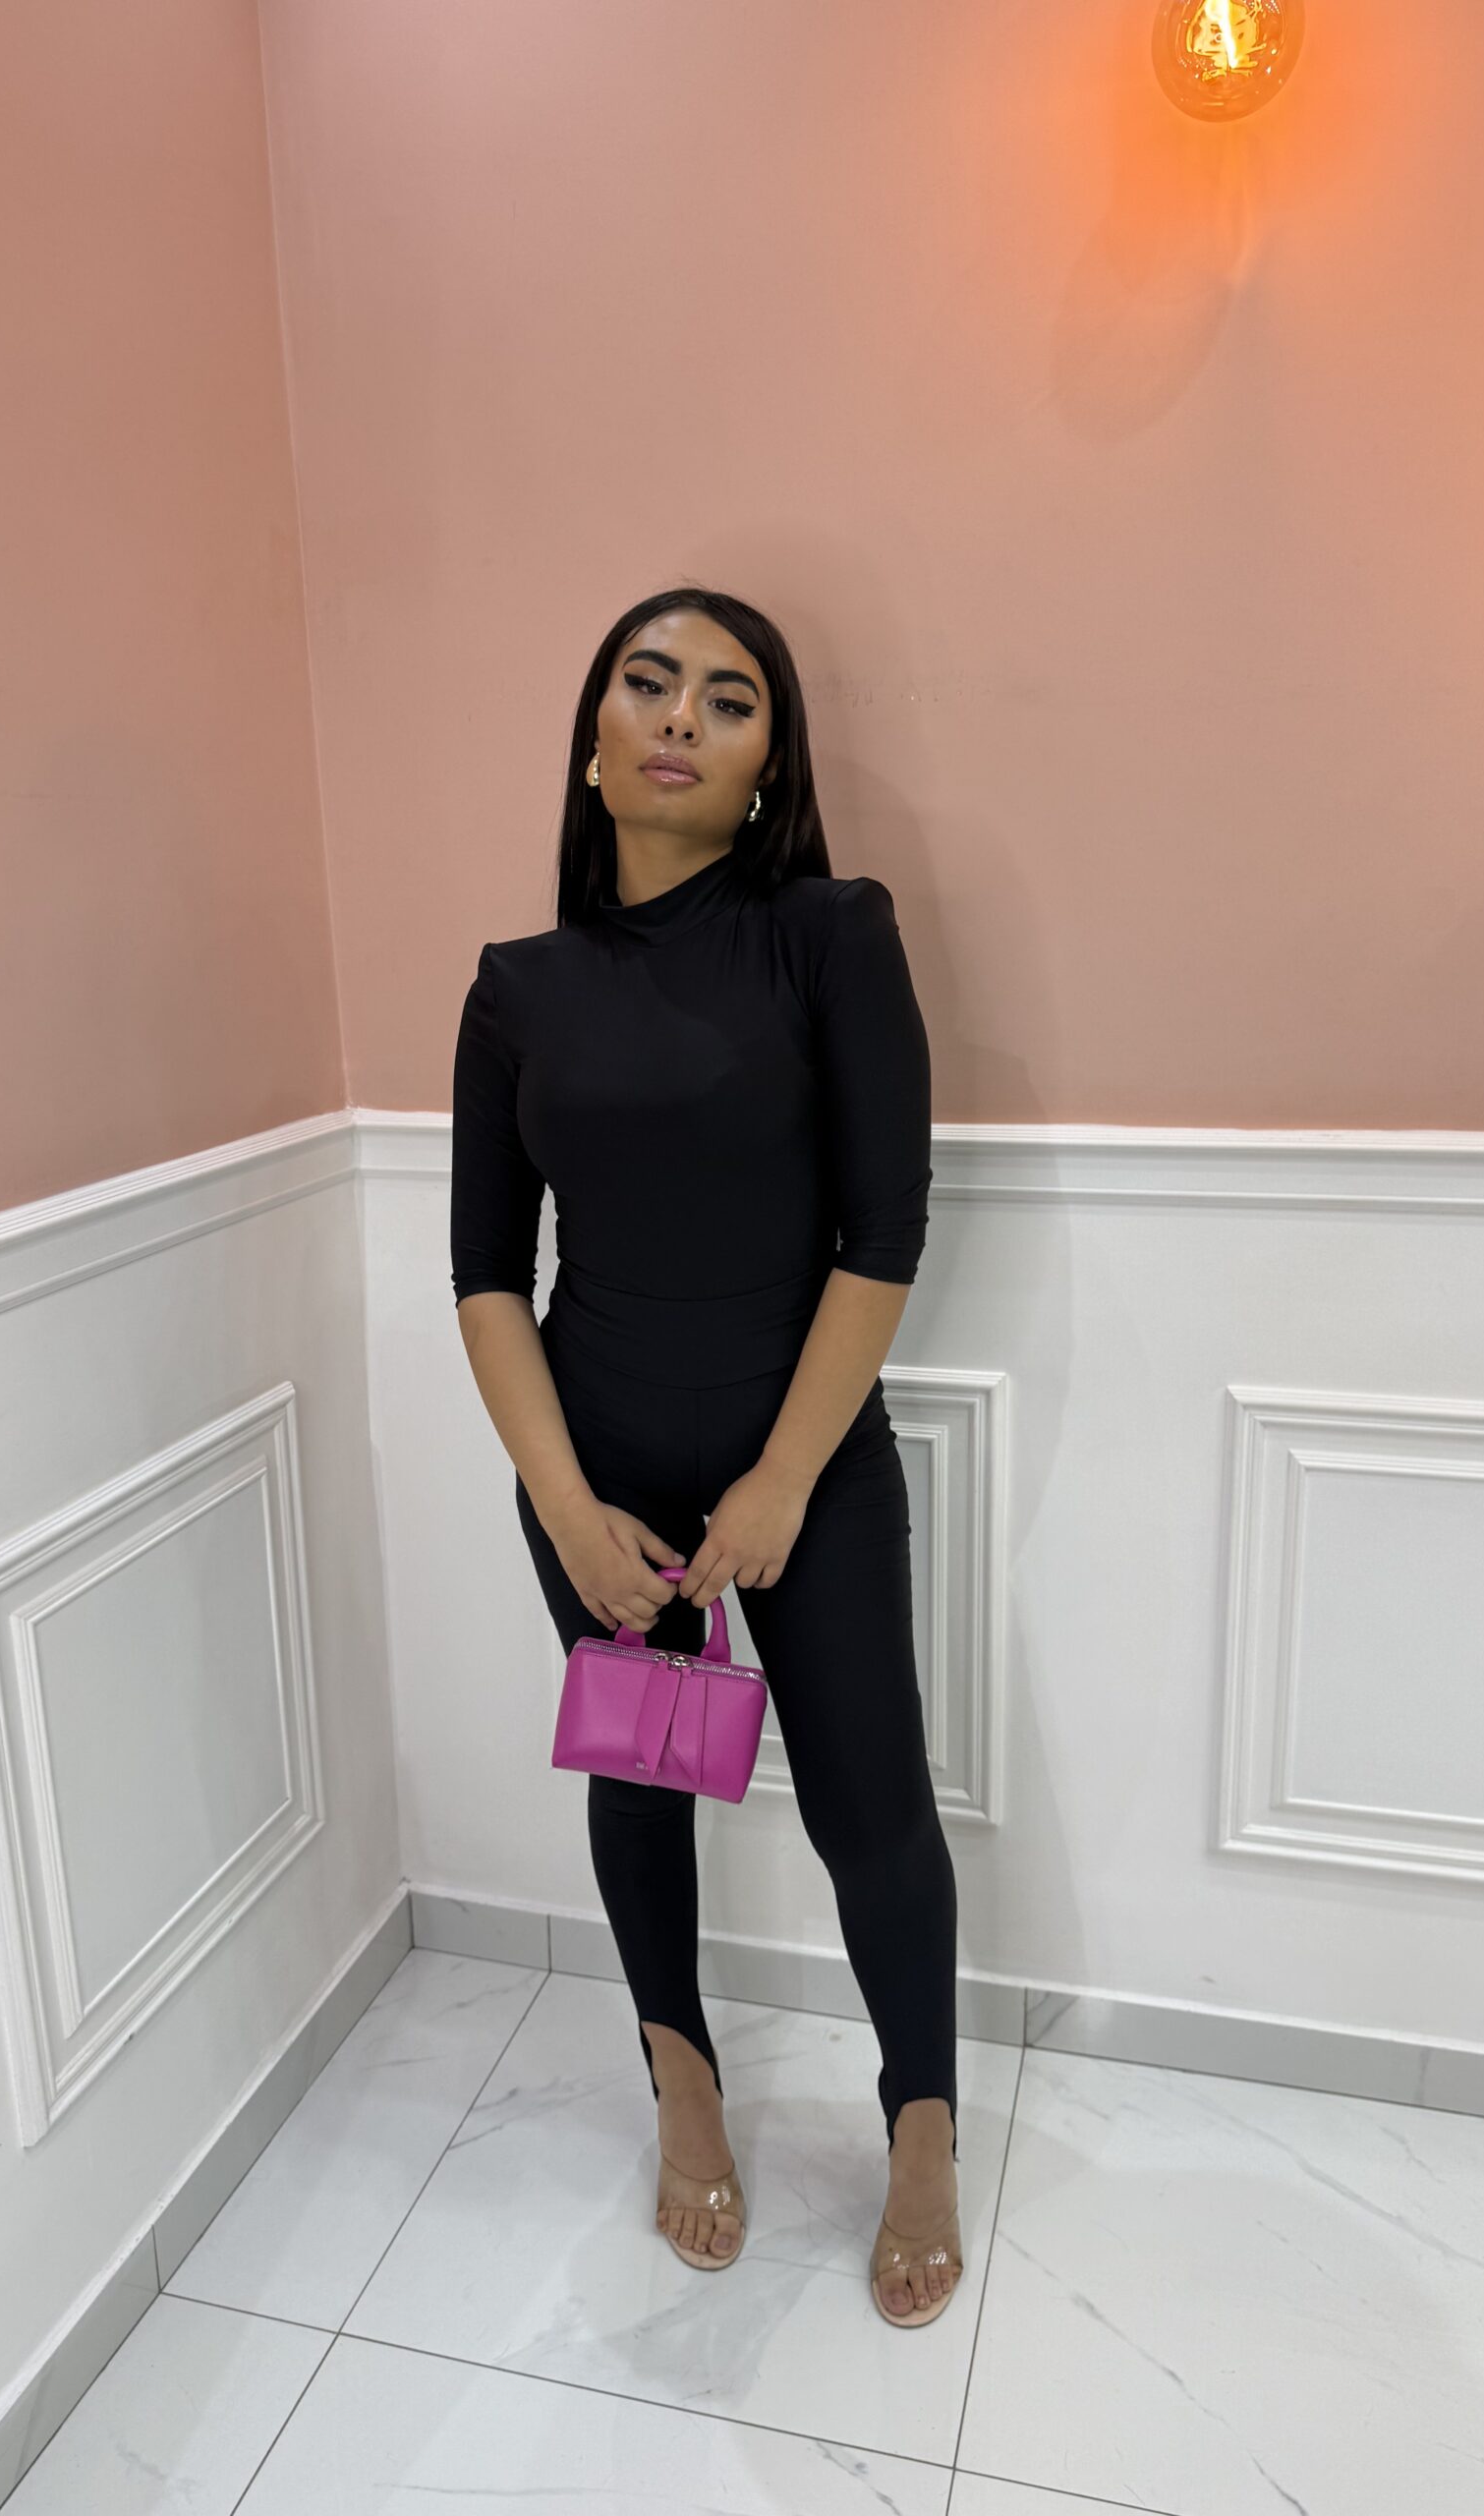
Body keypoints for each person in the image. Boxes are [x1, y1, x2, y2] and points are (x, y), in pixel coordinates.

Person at [448, 585, 961, 2327]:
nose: (683, 716)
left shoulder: (830, 935)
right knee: (644, 1776)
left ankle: (921, 2124)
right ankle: (682, 2084)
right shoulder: (518, 989)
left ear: (765, 770)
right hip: (595, 1473)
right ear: (594, 746)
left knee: (870, 1804)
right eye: (649, 684)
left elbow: (884, 1234)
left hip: (802, 1467)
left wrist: (783, 1482)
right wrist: (564, 1503)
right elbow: (485, 1274)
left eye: (730, 700)